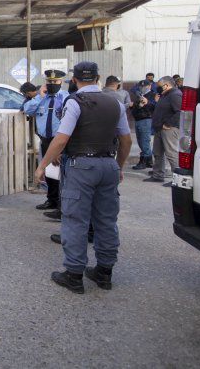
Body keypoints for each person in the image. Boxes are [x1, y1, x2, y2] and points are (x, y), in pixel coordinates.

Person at [35, 62, 132, 294]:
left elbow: (61, 139)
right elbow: (126, 141)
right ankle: (104, 272)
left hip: (81, 166)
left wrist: (42, 166)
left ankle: (74, 275)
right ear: (98, 78)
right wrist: (118, 167)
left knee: (76, 220)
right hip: (108, 163)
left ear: (75, 81)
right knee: (106, 220)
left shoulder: (75, 102)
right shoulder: (116, 103)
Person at [24, 69, 69, 218]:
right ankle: (52, 200)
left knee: (62, 173)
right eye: (49, 82)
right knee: (49, 172)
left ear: (61, 82)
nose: (52, 84)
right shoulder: (40, 98)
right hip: (45, 139)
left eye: (55, 82)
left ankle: (63, 206)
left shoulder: (65, 97)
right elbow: (27, 110)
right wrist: (39, 97)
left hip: (60, 141)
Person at [144, 76, 182, 186]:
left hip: (169, 129)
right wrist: (149, 104)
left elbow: (180, 112)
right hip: (159, 128)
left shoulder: (175, 95)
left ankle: (177, 180)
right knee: (157, 153)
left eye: (159, 86)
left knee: (171, 154)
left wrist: (168, 123)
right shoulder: (165, 95)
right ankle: (158, 175)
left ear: (166, 85)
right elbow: (159, 110)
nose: (157, 88)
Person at [130, 80, 156, 170]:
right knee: (140, 141)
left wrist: (147, 102)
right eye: (141, 86)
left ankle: (144, 161)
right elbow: (135, 108)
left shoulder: (153, 95)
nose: (142, 88)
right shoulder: (139, 95)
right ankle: (149, 161)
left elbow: (154, 107)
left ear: (149, 86)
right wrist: (137, 106)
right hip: (138, 119)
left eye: (144, 86)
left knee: (144, 141)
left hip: (146, 119)